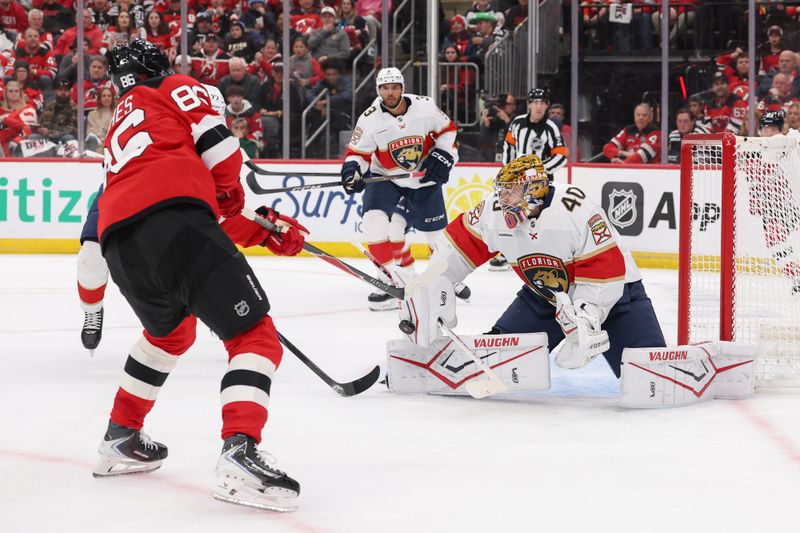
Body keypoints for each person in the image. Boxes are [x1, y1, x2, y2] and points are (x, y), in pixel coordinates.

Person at [92, 39, 306, 512]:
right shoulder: (176, 87)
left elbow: (202, 204)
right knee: (256, 338)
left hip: (119, 241)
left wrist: (263, 232)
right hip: (173, 220)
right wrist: (238, 202)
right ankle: (240, 450)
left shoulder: (120, 125)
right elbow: (225, 164)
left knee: (168, 335)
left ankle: (121, 436)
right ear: (159, 66)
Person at [404, 154, 666, 379]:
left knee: (648, 374)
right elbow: (456, 248)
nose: (503, 198)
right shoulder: (493, 212)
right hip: (544, 297)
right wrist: (429, 284)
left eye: (511, 190)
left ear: (535, 189)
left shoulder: (577, 211)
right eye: (502, 190)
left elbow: (605, 270)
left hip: (618, 297)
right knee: (498, 361)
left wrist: (585, 318)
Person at [340, 67, 469, 310]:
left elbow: (447, 130)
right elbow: (357, 154)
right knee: (373, 221)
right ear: (379, 90)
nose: (390, 93)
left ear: (402, 88)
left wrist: (443, 154)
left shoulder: (425, 106)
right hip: (386, 177)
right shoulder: (369, 118)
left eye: (394, 87)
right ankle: (390, 281)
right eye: (385, 88)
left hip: (423, 178)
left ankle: (446, 279)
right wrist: (352, 171)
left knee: (436, 235)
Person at [494, 87, 567, 271]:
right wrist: (507, 172)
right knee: (512, 214)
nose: (538, 106)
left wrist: (539, 171)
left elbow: (561, 156)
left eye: (542, 102)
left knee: (540, 217)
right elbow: (509, 147)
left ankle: (542, 253)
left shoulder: (551, 128)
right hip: (517, 182)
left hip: (542, 182)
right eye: (535, 102)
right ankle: (508, 254)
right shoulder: (517, 123)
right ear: (528, 104)